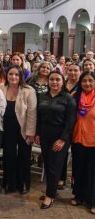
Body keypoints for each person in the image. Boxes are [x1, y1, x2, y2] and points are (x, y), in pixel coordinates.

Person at [35, 71, 76, 209]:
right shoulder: (42, 96)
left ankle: (50, 196)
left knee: (54, 167)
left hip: (60, 137)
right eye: (51, 79)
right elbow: (39, 118)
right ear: (48, 81)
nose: (54, 82)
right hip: (45, 136)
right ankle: (51, 190)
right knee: (47, 164)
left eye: (57, 79)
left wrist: (63, 140)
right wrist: (37, 133)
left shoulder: (68, 98)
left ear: (62, 81)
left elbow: (71, 122)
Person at [0, 65, 37, 194]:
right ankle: (9, 183)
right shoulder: (0, 88)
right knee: (8, 156)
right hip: (6, 128)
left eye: (16, 74)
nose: (13, 77)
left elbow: (32, 113)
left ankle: (23, 184)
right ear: (6, 75)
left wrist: (30, 133)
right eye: (11, 74)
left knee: (24, 156)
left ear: (21, 76)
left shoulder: (28, 90)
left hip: (24, 128)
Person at [71, 71, 95, 215]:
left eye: (90, 81)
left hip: (93, 140)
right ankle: (78, 196)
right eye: (84, 81)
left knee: (92, 172)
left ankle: (92, 200)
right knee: (78, 169)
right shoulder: (75, 97)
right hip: (77, 139)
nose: (87, 83)